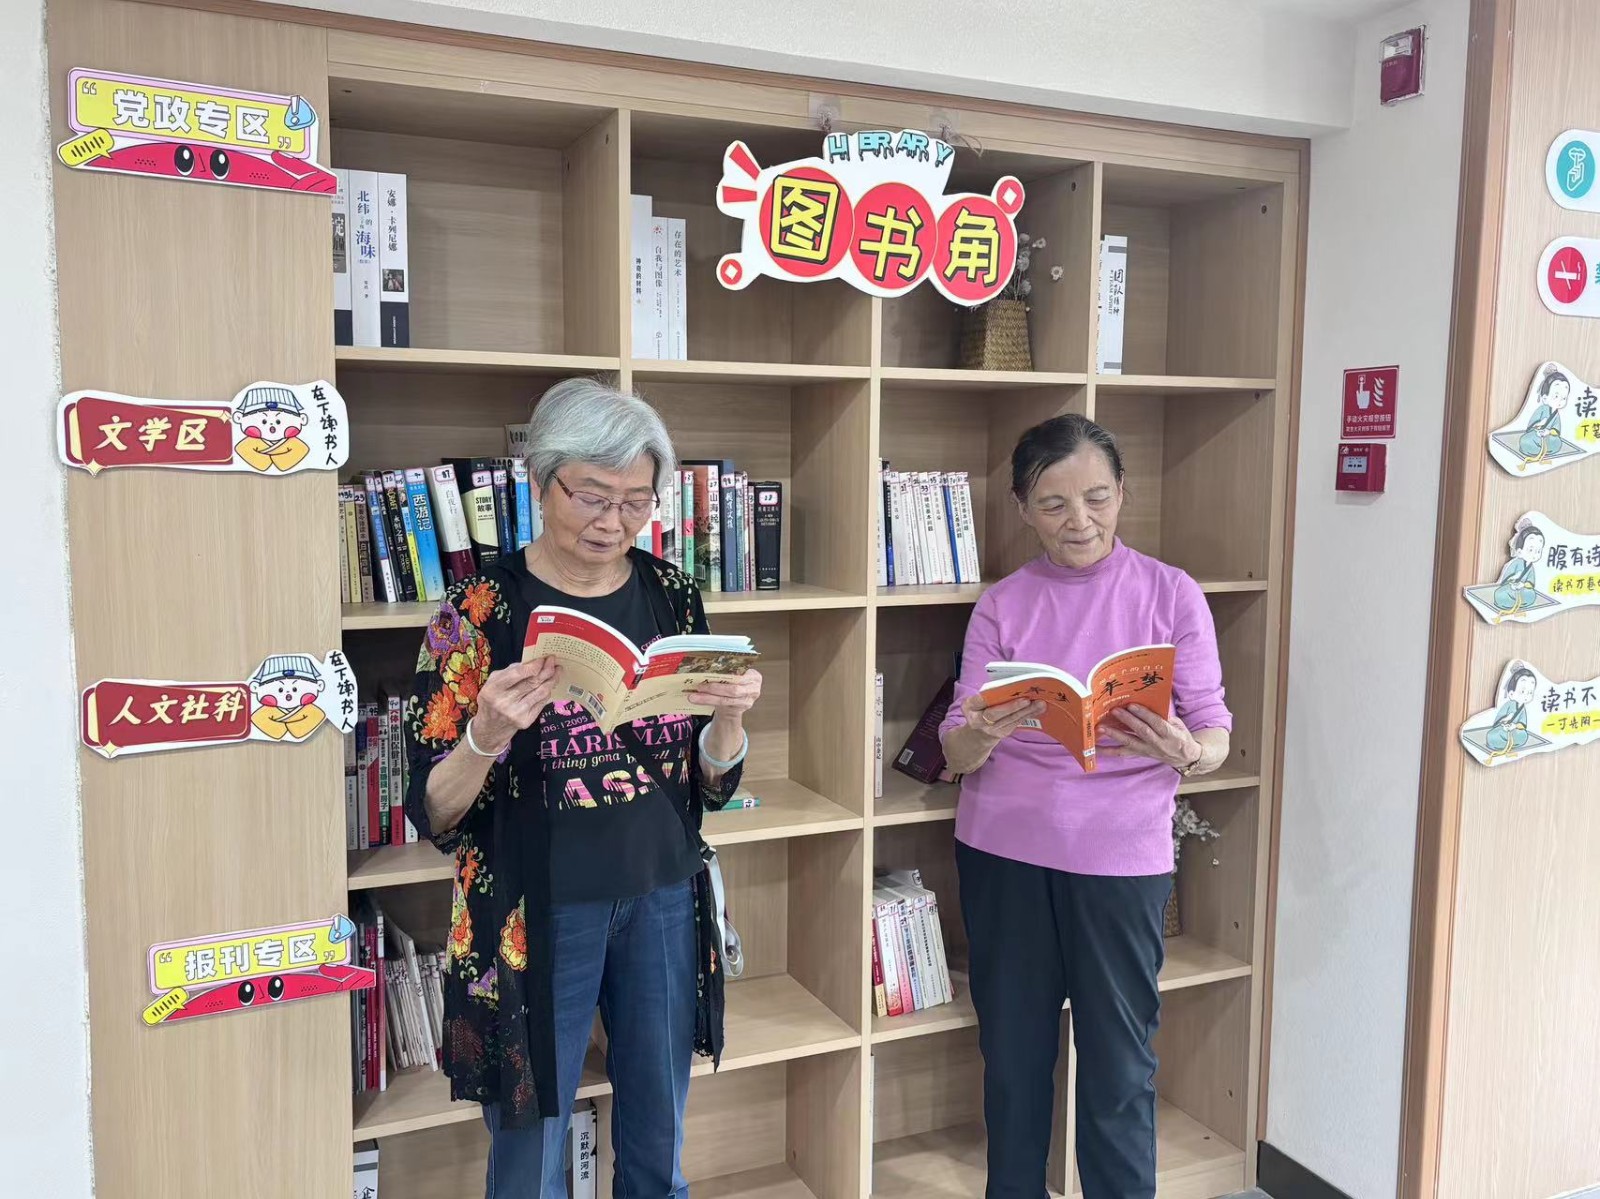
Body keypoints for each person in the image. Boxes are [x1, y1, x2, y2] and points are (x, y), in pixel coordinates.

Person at [403, 378, 763, 1198]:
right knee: (530, 1149)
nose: (613, 522)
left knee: (659, 1136)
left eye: (636, 502)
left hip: (661, 893)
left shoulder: (671, 592)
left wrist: (731, 719)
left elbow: (711, 785)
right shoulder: (480, 607)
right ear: (541, 480)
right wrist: (484, 735)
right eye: (593, 496)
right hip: (538, 910)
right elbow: (435, 807)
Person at [938, 413, 1232, 1199]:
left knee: (1119, 1064)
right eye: (1054, 503)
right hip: (1003, 850)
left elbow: (1214, 731)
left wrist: (1186, 749)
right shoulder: (1002, 604)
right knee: (1013, 1059)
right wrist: (979, 733)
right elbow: (955, 750)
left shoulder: (1171, 593)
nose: (1080, 520)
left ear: (1122, 493)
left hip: (1121, 856)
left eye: (1097, 497)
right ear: (1022, 508)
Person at [1491, 518, 1544, 619]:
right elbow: (1505, 579)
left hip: (1522, 590)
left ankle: (1514, 604)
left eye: (1538, 551)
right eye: (1531, 550)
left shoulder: (1530, 567)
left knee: (1531, 595)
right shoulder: (1515, 563)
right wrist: (1512, 583)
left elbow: (1530, 583)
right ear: (1519, 551)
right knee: (1500, 595)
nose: (1534, 554)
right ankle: (1511, 604)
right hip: (1509, 589)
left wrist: (1523, 585)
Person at [1517, 366, 1571, 465]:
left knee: (1557, 442)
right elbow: (1531, 426)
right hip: (1536, 435)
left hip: (1547, 437)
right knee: (1525, 441)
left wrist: (1548, 432)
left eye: (1563, 398)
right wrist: (1539, 426)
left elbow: (1556, 430)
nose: (1560, 401)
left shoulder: (1556, 414)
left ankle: (1539, 450)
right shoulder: (1541, 409)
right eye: (1556, 396)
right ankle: (1536, 449)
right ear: (1545, 398)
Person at [1484, 662, 1536, 760]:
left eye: (1530, 692)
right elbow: (1498, 721)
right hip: (1502, 729)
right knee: (1492, 736)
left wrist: (1514, 726)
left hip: (1514, 731)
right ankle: (1504, 743)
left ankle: (1506, 744)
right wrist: (1506, 720)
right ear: (1511, 693)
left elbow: (1522, 724)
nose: (1526, 695)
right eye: (1522, 691)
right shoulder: (1508, 705)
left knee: (1523, 735)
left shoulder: (1522, 708)